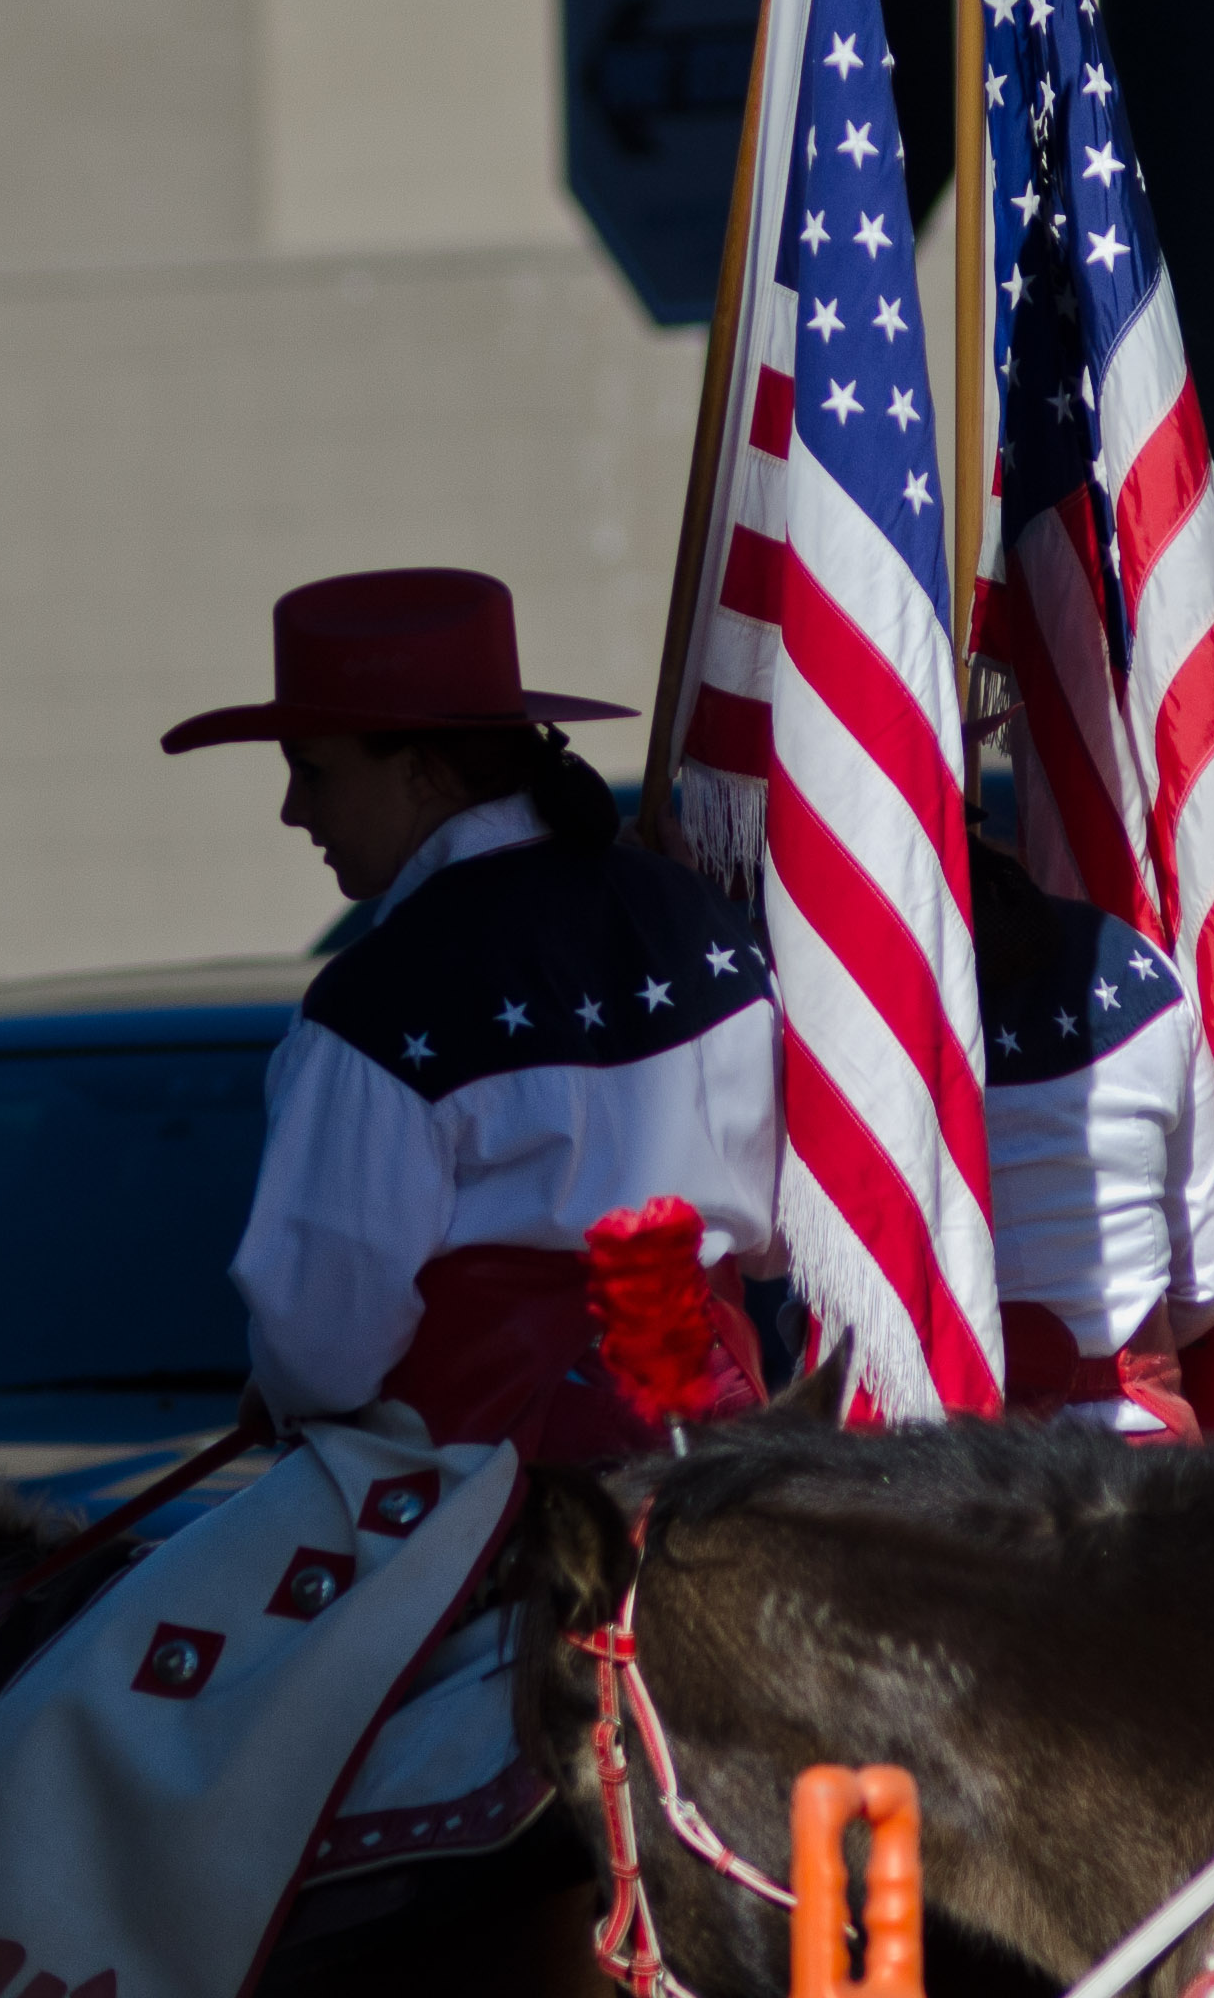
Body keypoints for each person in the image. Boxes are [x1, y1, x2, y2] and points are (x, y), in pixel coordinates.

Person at [162, 566, 776, 1457]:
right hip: (730, 1462)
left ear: (419, 770)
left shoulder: (375, 1001)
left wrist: (285, 1388)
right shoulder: (705, 925)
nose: (294, 811)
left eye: (311, 770)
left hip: (488, 1505)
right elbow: (781, 1242)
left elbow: (325, 1348)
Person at [970, 833, 1214, 1438]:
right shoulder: (1138, 973)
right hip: (1141, 1461)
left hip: (958, 1481)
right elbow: (1209, 1275)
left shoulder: (865, 1007)